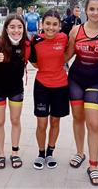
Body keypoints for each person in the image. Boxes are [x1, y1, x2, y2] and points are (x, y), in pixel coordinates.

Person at [66, 0, 98, 186]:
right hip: (75, 79)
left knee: (94, 124)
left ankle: (94, 165)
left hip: (96, 82)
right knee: (78, 118)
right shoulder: (76, 31)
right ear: (85, 10)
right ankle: (79, 152)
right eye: (92, 9)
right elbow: (67, 54)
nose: (95, 13)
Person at [0, 14, 30, 169]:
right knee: (0, 121)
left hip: (16, 88)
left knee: (15, 120)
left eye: (19, 27)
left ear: (23, 28)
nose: (16, 30)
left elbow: (38, 60)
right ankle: (0, 154)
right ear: (6, 28)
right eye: (12, 27)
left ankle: (15, 153)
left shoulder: (26, 44)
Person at [30, 9, 69, 170]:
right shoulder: (36, 40)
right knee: (41, 122)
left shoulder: (64, 38)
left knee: (55, 121)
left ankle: (50, 152)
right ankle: (41, 153)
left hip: (61, 86)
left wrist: (58, 67)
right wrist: (47, 70)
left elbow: (68, 54)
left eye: (54, 24)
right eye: (47, 24)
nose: (51, 28)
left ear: (60, 26)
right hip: (42, 86)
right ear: (42, 24)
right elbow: (34, 62)